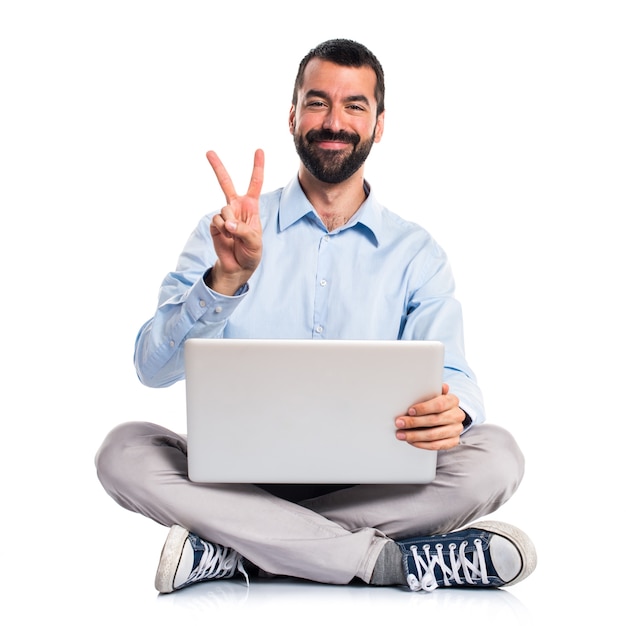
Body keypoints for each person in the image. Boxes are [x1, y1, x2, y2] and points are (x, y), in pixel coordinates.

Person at [96, 38, 536, 594]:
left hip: (372, 480)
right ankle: (382, 563)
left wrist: (454, 412)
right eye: (317, 102)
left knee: (496, 458)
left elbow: (456, 377)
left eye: (355, 105)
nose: (334, 121)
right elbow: (151, 368)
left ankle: (238, 551)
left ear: (379, 125)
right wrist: (225, 281)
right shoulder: (227, 230)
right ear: (292, 115)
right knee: (123, 451)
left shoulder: (417, 253)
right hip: (237, 478)